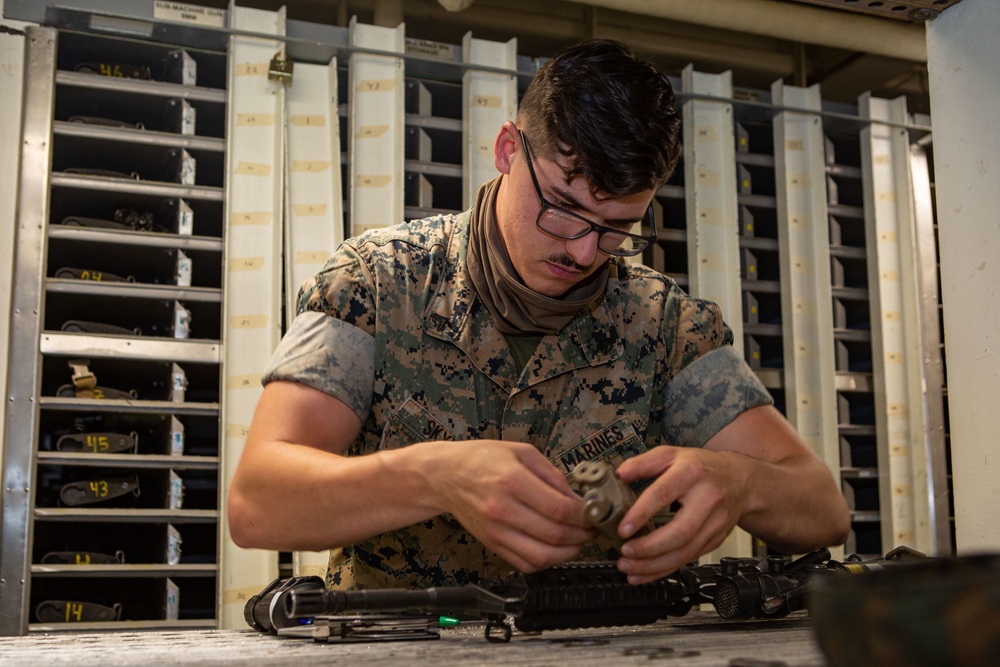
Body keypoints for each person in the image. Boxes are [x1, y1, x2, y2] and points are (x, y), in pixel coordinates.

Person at [228, 38, 850, 590]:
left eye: (618, 229)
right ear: (507, 149)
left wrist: (740, 482)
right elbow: (258, 503)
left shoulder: (666, 327)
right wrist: (433, 476)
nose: (584, 251)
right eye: (563, 208)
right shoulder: (375, 283)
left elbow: (823, 508)